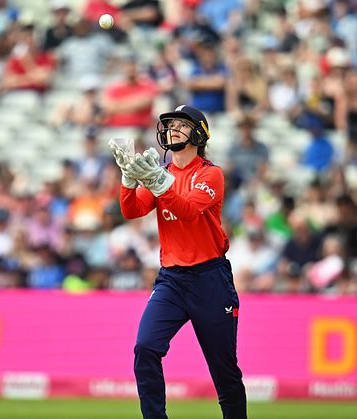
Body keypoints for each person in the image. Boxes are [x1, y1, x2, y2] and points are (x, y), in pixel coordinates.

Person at [109, 105, 247, 418]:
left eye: (181, 125)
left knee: (223, 370)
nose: (172, 129)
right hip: (172, 279)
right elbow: (132, 211)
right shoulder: (165, 174)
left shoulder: (210, 174)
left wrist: (157, 180)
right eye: (170, 124)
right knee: (145, 347)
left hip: (210, 280)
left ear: (198, 134)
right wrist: (129, 180)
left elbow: (185, 210)